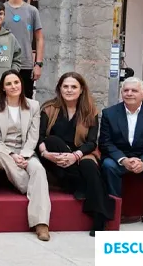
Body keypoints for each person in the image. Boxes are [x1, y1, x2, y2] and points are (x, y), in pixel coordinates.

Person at [39, 72, 112, 236]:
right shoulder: (49, 108)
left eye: (73, 87)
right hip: (55, 157)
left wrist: (75, 155)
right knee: (52, 140)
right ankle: (81, 185)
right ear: (59, 89)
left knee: (88, 164)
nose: (69, 90)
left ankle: (99, 217)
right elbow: (40, 137)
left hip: (80, 153)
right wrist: (45, 154)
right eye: (65, 86)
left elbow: (92, 142)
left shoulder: (90, 111)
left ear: (81, 90)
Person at [0, 70, 50, 240]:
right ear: (3, 88)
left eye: (16, 82)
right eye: (9, 84)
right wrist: (13, 154)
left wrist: (25, 155)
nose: (13, 86)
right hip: (3, 152)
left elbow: (33, 136)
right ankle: (27, 186)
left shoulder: (33, 105)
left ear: (21, 84)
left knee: (38, 169)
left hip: (26, 152)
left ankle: (41, 223)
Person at [100, 77, 143, 230]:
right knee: (108, 164)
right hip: (120, 157)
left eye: (134, 90)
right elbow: (105, 142)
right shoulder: (109, 113)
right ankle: (116, 210)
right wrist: (123, 159)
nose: (129, 93)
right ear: (121, 93)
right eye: (126, 90)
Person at [3, 0, 44, 99]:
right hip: (4, 61)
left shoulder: (32, 11)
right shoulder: (0, 10)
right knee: (4, 100)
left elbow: (39, 38)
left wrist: (38, 64)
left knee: (26, 100)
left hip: (25, 63)